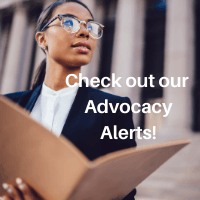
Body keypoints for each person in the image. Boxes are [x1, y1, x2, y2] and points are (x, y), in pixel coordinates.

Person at [1, 0, 137, 199]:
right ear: (42, 39)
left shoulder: (114, 108)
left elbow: (123, 194)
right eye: (69, 23)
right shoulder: (8, 108)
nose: (85, 32)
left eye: (91, 26)